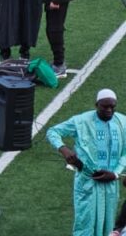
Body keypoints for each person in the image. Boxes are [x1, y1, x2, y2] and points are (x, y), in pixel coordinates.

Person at [47, 90, 126, 236]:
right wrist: (64, 149)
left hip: (110, 184)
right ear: (97, 105)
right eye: (105, 106)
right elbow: (53, 132)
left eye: (112, 107)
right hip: (87, 182)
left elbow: (125, 153)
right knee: (85, 226)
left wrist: (115, 174)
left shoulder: (122, 122)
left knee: (107, 226)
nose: (109, 110)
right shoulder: (81, 121)